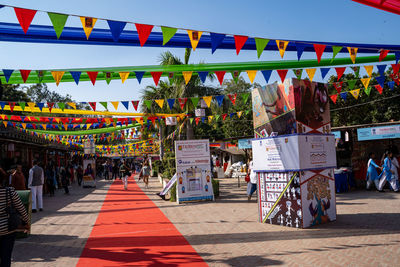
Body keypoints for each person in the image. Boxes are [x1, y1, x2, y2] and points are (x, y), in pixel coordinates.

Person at [0, 181, 30, 267]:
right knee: (6, 257)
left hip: (7, 230)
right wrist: (27, 222)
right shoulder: (9, 191)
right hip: (8, 229)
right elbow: (21, 209)